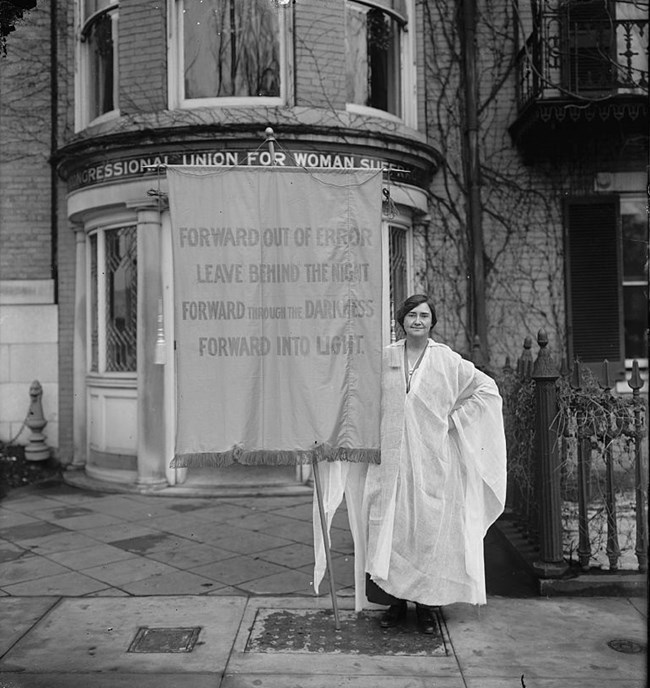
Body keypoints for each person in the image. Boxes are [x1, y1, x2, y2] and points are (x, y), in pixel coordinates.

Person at [362, 294, 507, 634]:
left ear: (432, 322)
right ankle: (395, 606)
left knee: (428, 533)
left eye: (424, 315)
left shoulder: (446, 361)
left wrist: (454, 421)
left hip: (430, 460)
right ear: (402, 320)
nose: (417, 321)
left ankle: (427, 608)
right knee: (392, 530)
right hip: (391, 460)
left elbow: (485, 389)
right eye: (411, 314)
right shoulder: (385, 358)